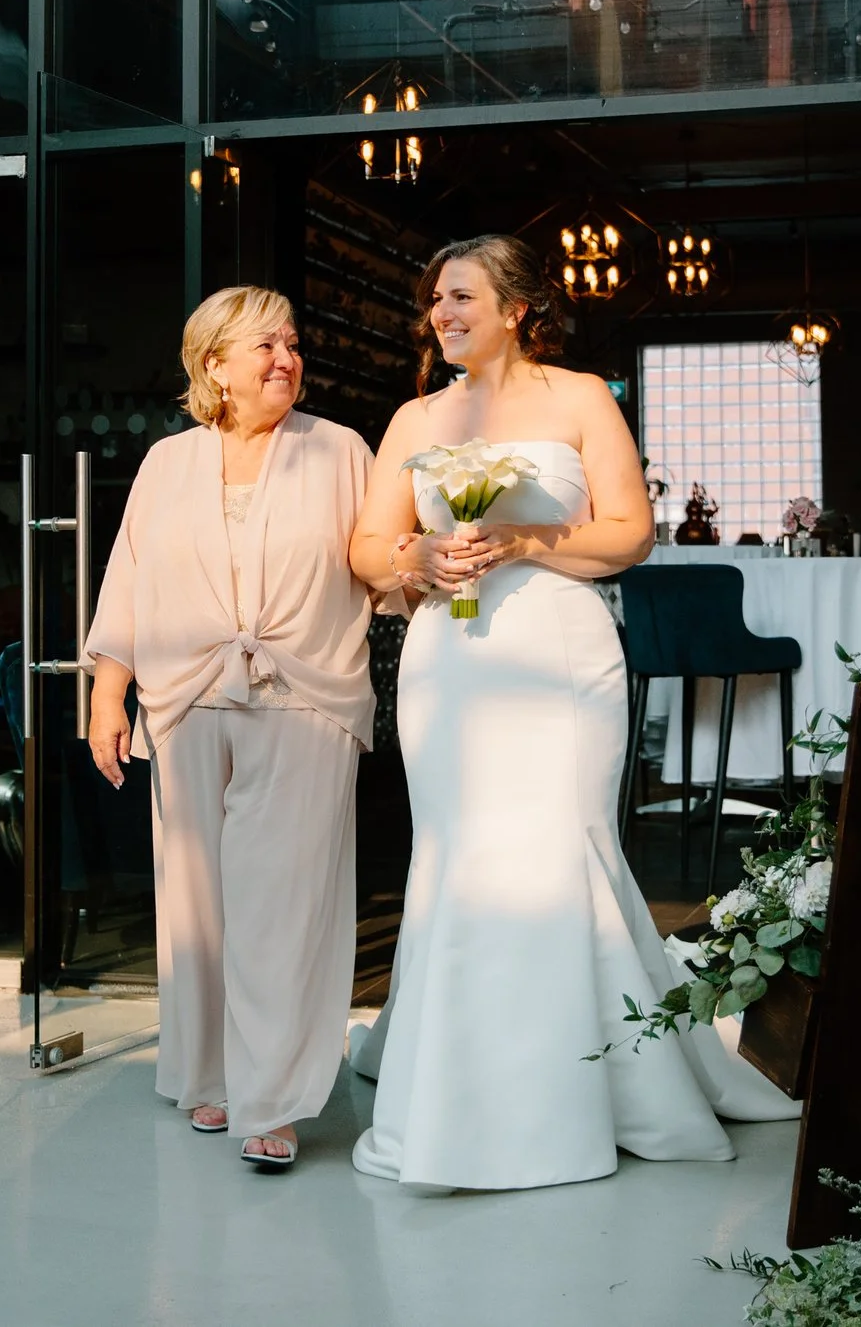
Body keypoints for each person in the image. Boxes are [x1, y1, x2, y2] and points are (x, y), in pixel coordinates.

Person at [346, 234, 799, 1192]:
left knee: (562, 845)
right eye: (435, 299)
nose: (444, 312)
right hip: (450, 662)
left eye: (462, 295)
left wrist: (523, 537)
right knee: (460, 852)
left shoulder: (581, 396)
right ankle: (455, 1086)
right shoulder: (413, 414)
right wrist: (414, 561)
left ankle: (597, 1085)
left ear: (516, 307)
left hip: (560, 655)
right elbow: (365, 545)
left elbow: (629, 531)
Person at [82, 286, 381, 1171]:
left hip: (305, 696)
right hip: (184, 698)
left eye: (292, 343)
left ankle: (275, 1097)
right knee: (198, 906)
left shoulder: (340, 450)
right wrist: (109, 696)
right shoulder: (170, 462)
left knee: (283, 904)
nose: (286, 358)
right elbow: (128, 576)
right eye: (264, 345)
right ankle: (210, 1073)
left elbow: (377, 559)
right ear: (214, 363)